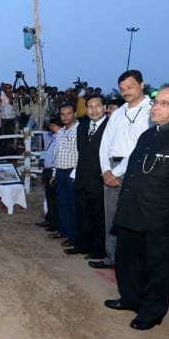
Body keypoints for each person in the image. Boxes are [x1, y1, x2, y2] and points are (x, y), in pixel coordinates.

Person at [103, 85, 169, 330]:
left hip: (161, 217)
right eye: (155, 102)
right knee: (128, 261)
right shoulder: (148, 135)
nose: (156, 108)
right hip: (131, 211)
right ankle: (130, 298)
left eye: (164, 103)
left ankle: (151, 311)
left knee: (157, 268)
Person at [91, 70, 152, 269]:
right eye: (122, 88)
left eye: (130, 87)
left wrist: (116, 173)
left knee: (132, 220)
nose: (126, 92)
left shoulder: (151, 111)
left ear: (142, 85)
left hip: (135, 170)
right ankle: (112, 257)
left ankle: (132, 262)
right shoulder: (117, 113)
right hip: (110, 169)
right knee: (111, 219)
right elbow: (104, 144)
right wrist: (106, 170)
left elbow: (142, 146)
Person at [65, 94, 108, 258]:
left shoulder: (110, 126)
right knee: (82, 214)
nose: (94, 110)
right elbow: (81, 153)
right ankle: (81, 245)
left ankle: (97, 251)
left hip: (99, 179)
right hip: (82, 178)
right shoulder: (82, 126)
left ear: (104, 108)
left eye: (97, 106)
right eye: (90, 106)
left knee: (99, 217)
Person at [49, 104, 79, 248]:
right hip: (60, 172)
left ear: (75, 113)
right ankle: (63, 231)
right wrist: (54, 173)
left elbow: (81, 154)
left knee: (73, 205)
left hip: (72, 172)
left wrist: (75, 174)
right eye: (63, 114)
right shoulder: (60, 132)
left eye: (68, 113)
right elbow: (56, 154)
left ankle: (73, 236)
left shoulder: (79, 130)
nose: (66, 116)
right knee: (62, 204)